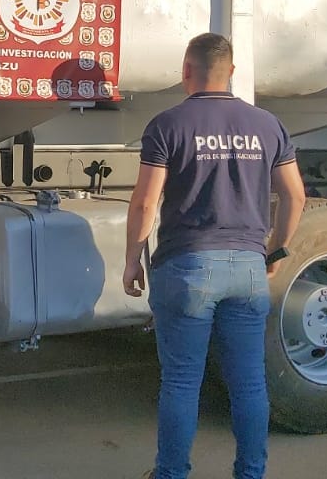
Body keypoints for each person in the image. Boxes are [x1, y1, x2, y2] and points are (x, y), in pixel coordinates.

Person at [123, 32, 305, 479]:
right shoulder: (268, 125)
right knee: (249, 383)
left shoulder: (167, 125)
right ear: (232, 72)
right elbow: (295, 195)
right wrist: (276, 249)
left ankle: (171, 473)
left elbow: (145, 203)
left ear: (186, 70)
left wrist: (132, 259)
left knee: (182, 383)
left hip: (187, 266)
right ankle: (251, 472)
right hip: (248, 268)